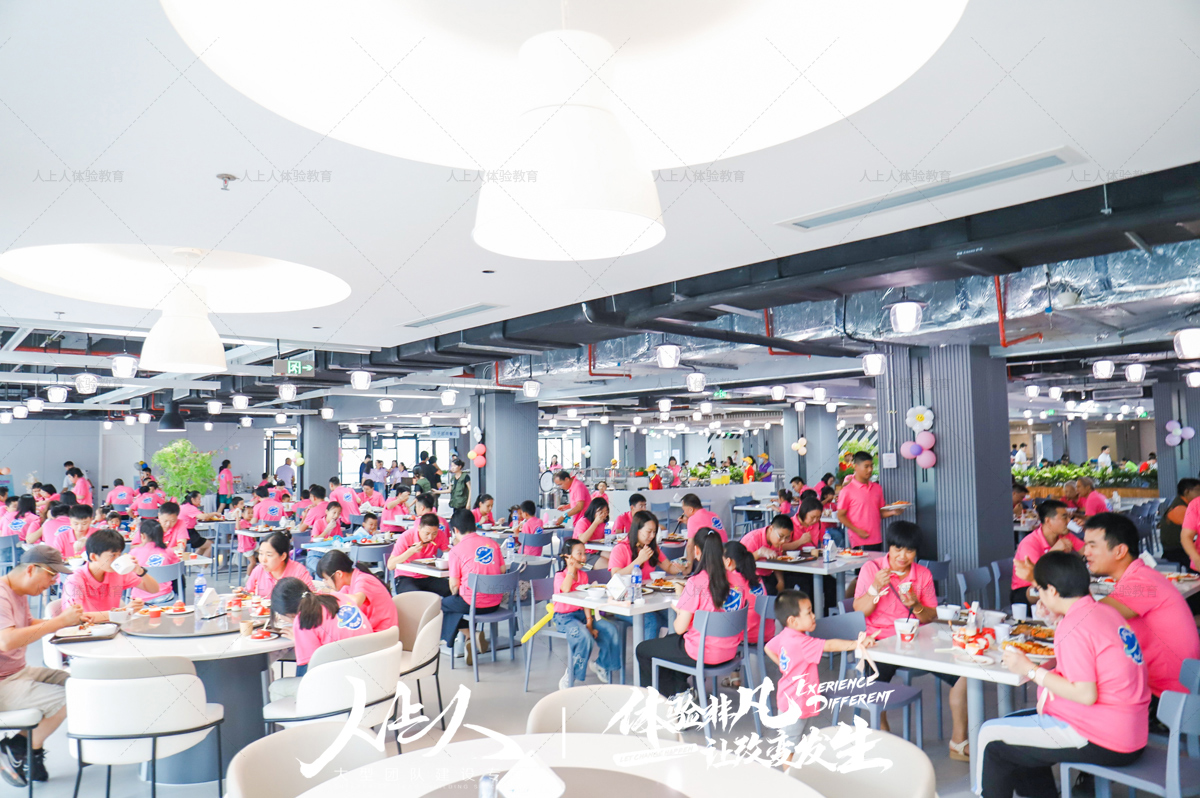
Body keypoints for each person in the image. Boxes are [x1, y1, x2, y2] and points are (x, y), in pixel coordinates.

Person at [982, 551, 1149, 798]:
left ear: (1052, 590)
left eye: (1039, 590)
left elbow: (1085, 694)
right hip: (1131, 729)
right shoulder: (1104, 612)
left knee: (992, 738)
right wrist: (1056, 621)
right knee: (1015, 729)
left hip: (1104, 738)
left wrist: (1029, 669)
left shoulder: (1075, 625)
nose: (1039, 597)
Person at [852, 521, 965, 753]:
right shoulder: (872, 569)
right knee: (874, 682)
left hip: (917, 640)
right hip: (880, 641)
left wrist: (916, 604)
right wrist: (875, 588)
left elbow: (930, 616)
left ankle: (958, 740)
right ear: (889, 547)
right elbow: (859, 611)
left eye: (909, 550)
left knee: (964, 676)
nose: (903, 556)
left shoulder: (923, 574)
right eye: (898, 549)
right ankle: (882, 734)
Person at [1083, 512, 1200, 706]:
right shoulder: (1142, 576)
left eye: (1092, 545)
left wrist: (1055, 579)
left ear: (1120, 551)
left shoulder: (1142, 583)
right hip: (1170, 689)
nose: (1085, 552)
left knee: (1078, 696)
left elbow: (1089, 616)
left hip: (1167, 699)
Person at [635, 529, 747, 702]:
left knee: (643, 650)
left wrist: (680, 611)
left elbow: (679, 628)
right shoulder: (738, 580)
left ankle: (669, 701)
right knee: (669, 643)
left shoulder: (696, 583)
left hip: (702, 653)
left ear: (696, 551)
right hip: (730, 651)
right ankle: (680, 691)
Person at [0, 546, 81, 786]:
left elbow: (27, 624)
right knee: (74, 696)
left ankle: (29, 751)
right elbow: (6, 641)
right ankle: (18, 748)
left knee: (79, 684)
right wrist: (58, 622)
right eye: (51, 574)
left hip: (18, 672)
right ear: (31, 569)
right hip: (3, 683)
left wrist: (66, 623)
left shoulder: (18, 592)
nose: (53, 582)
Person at [765, 589, 874, 763]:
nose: (814, 616)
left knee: (794, 744)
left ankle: (795, 774)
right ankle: (789, 777)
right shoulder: (802, 643)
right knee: (789, 748)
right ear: (792, 620)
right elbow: (830, 645)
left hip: (792, 700)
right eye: (808, 612)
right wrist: (857, 644)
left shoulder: (785, 635)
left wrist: (785, 667)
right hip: (796, 704)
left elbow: (768, 648)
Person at [270, 576, 374, 677]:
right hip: (371, 664)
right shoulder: (338, 597)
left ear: (288, 613)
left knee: (279, 685)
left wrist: (299, 639)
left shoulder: (304, 619)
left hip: (342, 676)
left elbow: (310, 669)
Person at [552, 538, 621, 688]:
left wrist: (589, 622)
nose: (583, 557)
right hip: (565, 618)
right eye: (579, 554)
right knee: (584, 637)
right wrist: (571, 571)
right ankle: (572, 674)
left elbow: (586, 601)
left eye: (584, 553)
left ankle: (601, 664)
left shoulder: (583, 576)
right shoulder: (560, 576)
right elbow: (565, 589)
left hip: (583, 615)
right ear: (567, 557)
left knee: (611, 630)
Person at [607, 510, 684, 640]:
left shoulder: (651, 548)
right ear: (637, 529)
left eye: (654, 532)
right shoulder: (620, 548)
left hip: (648, 599)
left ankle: (667, 650)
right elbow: (615, 576)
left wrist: (681, 566)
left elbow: (669, 568)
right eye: (649, 532)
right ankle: (646, 653)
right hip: (625, 601)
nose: (652, 536)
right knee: (652, 622)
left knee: (677, 616)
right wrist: (639, 560)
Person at [440, 510, 504, 665]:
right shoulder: (493, 544)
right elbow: (502, 571)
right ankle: (470, 638)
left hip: (472, 604)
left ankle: (470, 635)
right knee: (456, 604)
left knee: (443, 605)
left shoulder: (456, 550)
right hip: (495, 602)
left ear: (455, 530)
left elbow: (454, 586)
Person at [62, 529, 158, 619]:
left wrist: (140, 571)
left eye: (119, 555)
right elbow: (75, 617)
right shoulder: (74, 580)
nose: (117, 559)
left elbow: (154, 589)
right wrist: (122, 612)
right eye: (112, 555)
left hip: (114, 627)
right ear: (93, 557)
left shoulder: (116, 572)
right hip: (85, 629)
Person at [1012, 499, 1083, 605]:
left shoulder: (1065, 536)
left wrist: (1086, 529)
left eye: (1069, 517)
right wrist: (1053, 551)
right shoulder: (1030, 543)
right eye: (1064, 517)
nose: (1069, 521)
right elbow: (1037, 574)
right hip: (1027, 590)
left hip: (1055, 584)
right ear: (1048, 521)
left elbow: (1088, 552)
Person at [316, 550, 398, 633]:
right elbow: (339, 600)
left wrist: (331, 593)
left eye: (326, 579)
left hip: (383, 634)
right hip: (373, 632)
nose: (326, 583)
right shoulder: (348, 584)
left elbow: (356, 601)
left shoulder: (363, 579)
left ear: (339, 574)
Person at [837, 451, 903, 551]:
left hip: (877, 538)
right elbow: (841, 515)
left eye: (871, 466)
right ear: (856, 467)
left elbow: (879, 512)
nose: (870, 470)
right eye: (866, 466)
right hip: (859, 540)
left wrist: (893, 512)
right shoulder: (847, 491)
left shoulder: (877, 488)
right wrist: (857, 531)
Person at [389, 512, 452, 596]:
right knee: (416, 597)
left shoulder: (440, 534)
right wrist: (410, 551)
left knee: (453, 590)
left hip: (429, 575)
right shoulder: (406, 537)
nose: (430, 537)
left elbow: (449, 553)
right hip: (406, 576)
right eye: (427, 533)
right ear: (419, 528)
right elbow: (390, 565)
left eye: (434, 533)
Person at [244, 532, 313, 598]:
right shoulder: (259, 570)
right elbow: (248, 592)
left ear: (283, 556)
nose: (263, 560)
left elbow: (311, 597)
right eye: (261, 554)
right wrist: (242, 593)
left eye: (269, 555)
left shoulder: (299, 571)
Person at [739, 515, 795, 595]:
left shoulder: (777, 542)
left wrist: (780, 581)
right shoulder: (752, 539)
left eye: (787, 538)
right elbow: (739, 562)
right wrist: (759, 553)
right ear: (771, 529)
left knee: (793, 581)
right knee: (770, 590)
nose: (783, 541)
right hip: (750, 578)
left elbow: (776, 562)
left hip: (768, 575)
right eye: (781, 536)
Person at [129, 519, 179, 604]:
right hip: (164, 596)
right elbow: (177, 568)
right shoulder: (168, 551)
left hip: (139, 598)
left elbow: (128, 573)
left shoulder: (134, 552)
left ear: (143, 536)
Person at [1161, 478, 1200, 569]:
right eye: (1198, 490)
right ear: (1187, 492)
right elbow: (1191, 533)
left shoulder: (1182, 504)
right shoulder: (1180, 508)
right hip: (1176, 552)